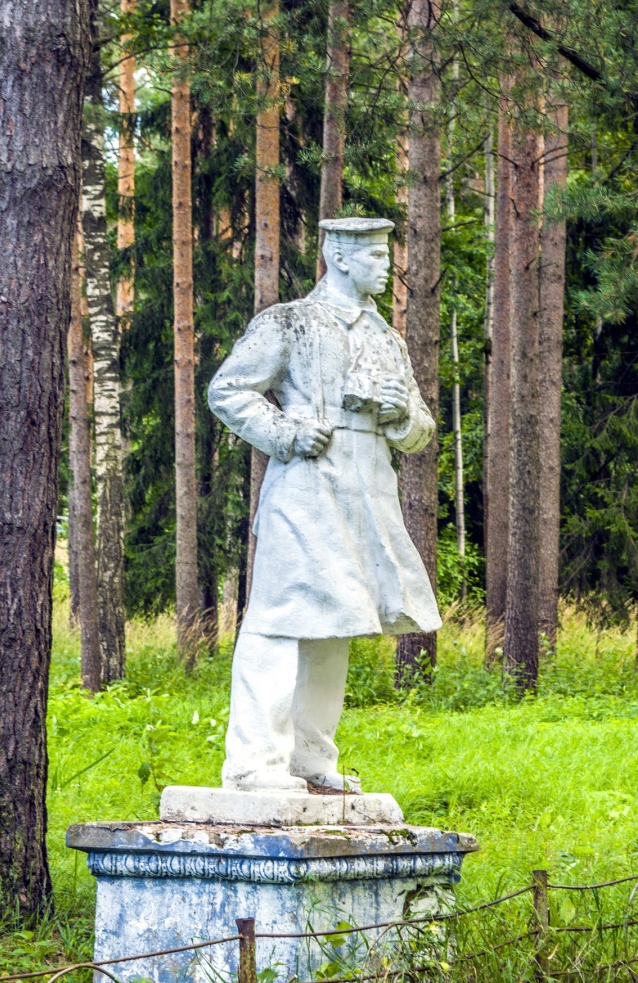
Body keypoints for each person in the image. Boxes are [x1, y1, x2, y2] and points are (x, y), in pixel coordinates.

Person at [207, 216, 441, 794]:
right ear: (338, 255)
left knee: (335, 624)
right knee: (281, 619)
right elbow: (227, 390)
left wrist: (398, 416)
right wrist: (284, 432)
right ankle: (253, 764)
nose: (387, 267)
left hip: (367, 493)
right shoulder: (289, 321)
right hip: (305, 488)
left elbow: (421, 432)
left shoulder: (388, 338)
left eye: (386, 255)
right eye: (375, 257)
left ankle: (311, 761)